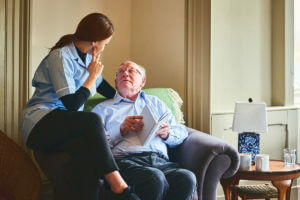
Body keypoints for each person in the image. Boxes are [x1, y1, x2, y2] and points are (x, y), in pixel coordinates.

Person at [20, 13, 140, 200]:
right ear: (94, 42)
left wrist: (130, 97)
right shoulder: (60, 57)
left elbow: (104, 89)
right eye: (105, 44)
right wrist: (91, 76)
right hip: (39, 123)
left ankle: (113, 189)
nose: (105, 48)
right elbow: (71, 104)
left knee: (87, 156)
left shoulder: (86, 59)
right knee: (92, 120)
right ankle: (120, 187)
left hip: (62, 127)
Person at [92, 61, 197, 200]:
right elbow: (94, 144)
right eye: (121, 72)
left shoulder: (156, 103)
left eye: (131, 71)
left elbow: (182, 132)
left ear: (142, 81)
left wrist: (168, 133)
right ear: (116, 82)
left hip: (161, 162)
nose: (125, 73)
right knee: (154, 178)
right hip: (125, 162)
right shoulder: (103, 109)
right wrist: (120, 130)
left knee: (187, 178)